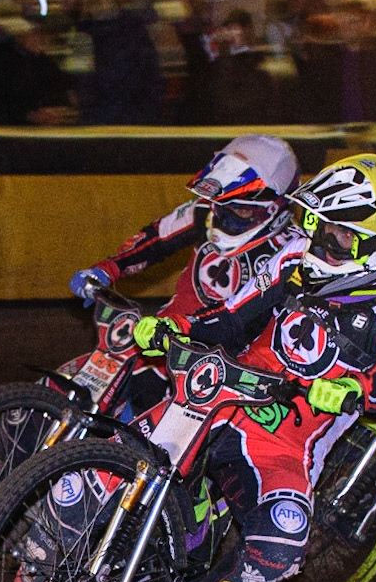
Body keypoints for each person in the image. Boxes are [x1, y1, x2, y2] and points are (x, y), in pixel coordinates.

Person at [126, 154, 376, 582]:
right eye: (319, 223)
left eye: (339, 233)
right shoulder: (294, 260)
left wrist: (354, 388)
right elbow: (234, 316)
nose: (320, 239)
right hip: (217, 399)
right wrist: (173, 331)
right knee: (114, 463)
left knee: (285, 539)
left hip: (283, 443)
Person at [66, 134, 303, 418]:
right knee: (91, 386)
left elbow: (260, 318)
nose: (227, 217)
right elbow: (154, 240)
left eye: (240, 209)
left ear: (275, 208)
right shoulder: (204, 211)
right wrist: (108, 268)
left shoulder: (291, 249)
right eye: (224, 204)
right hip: (158, 337)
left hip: (222, 363)